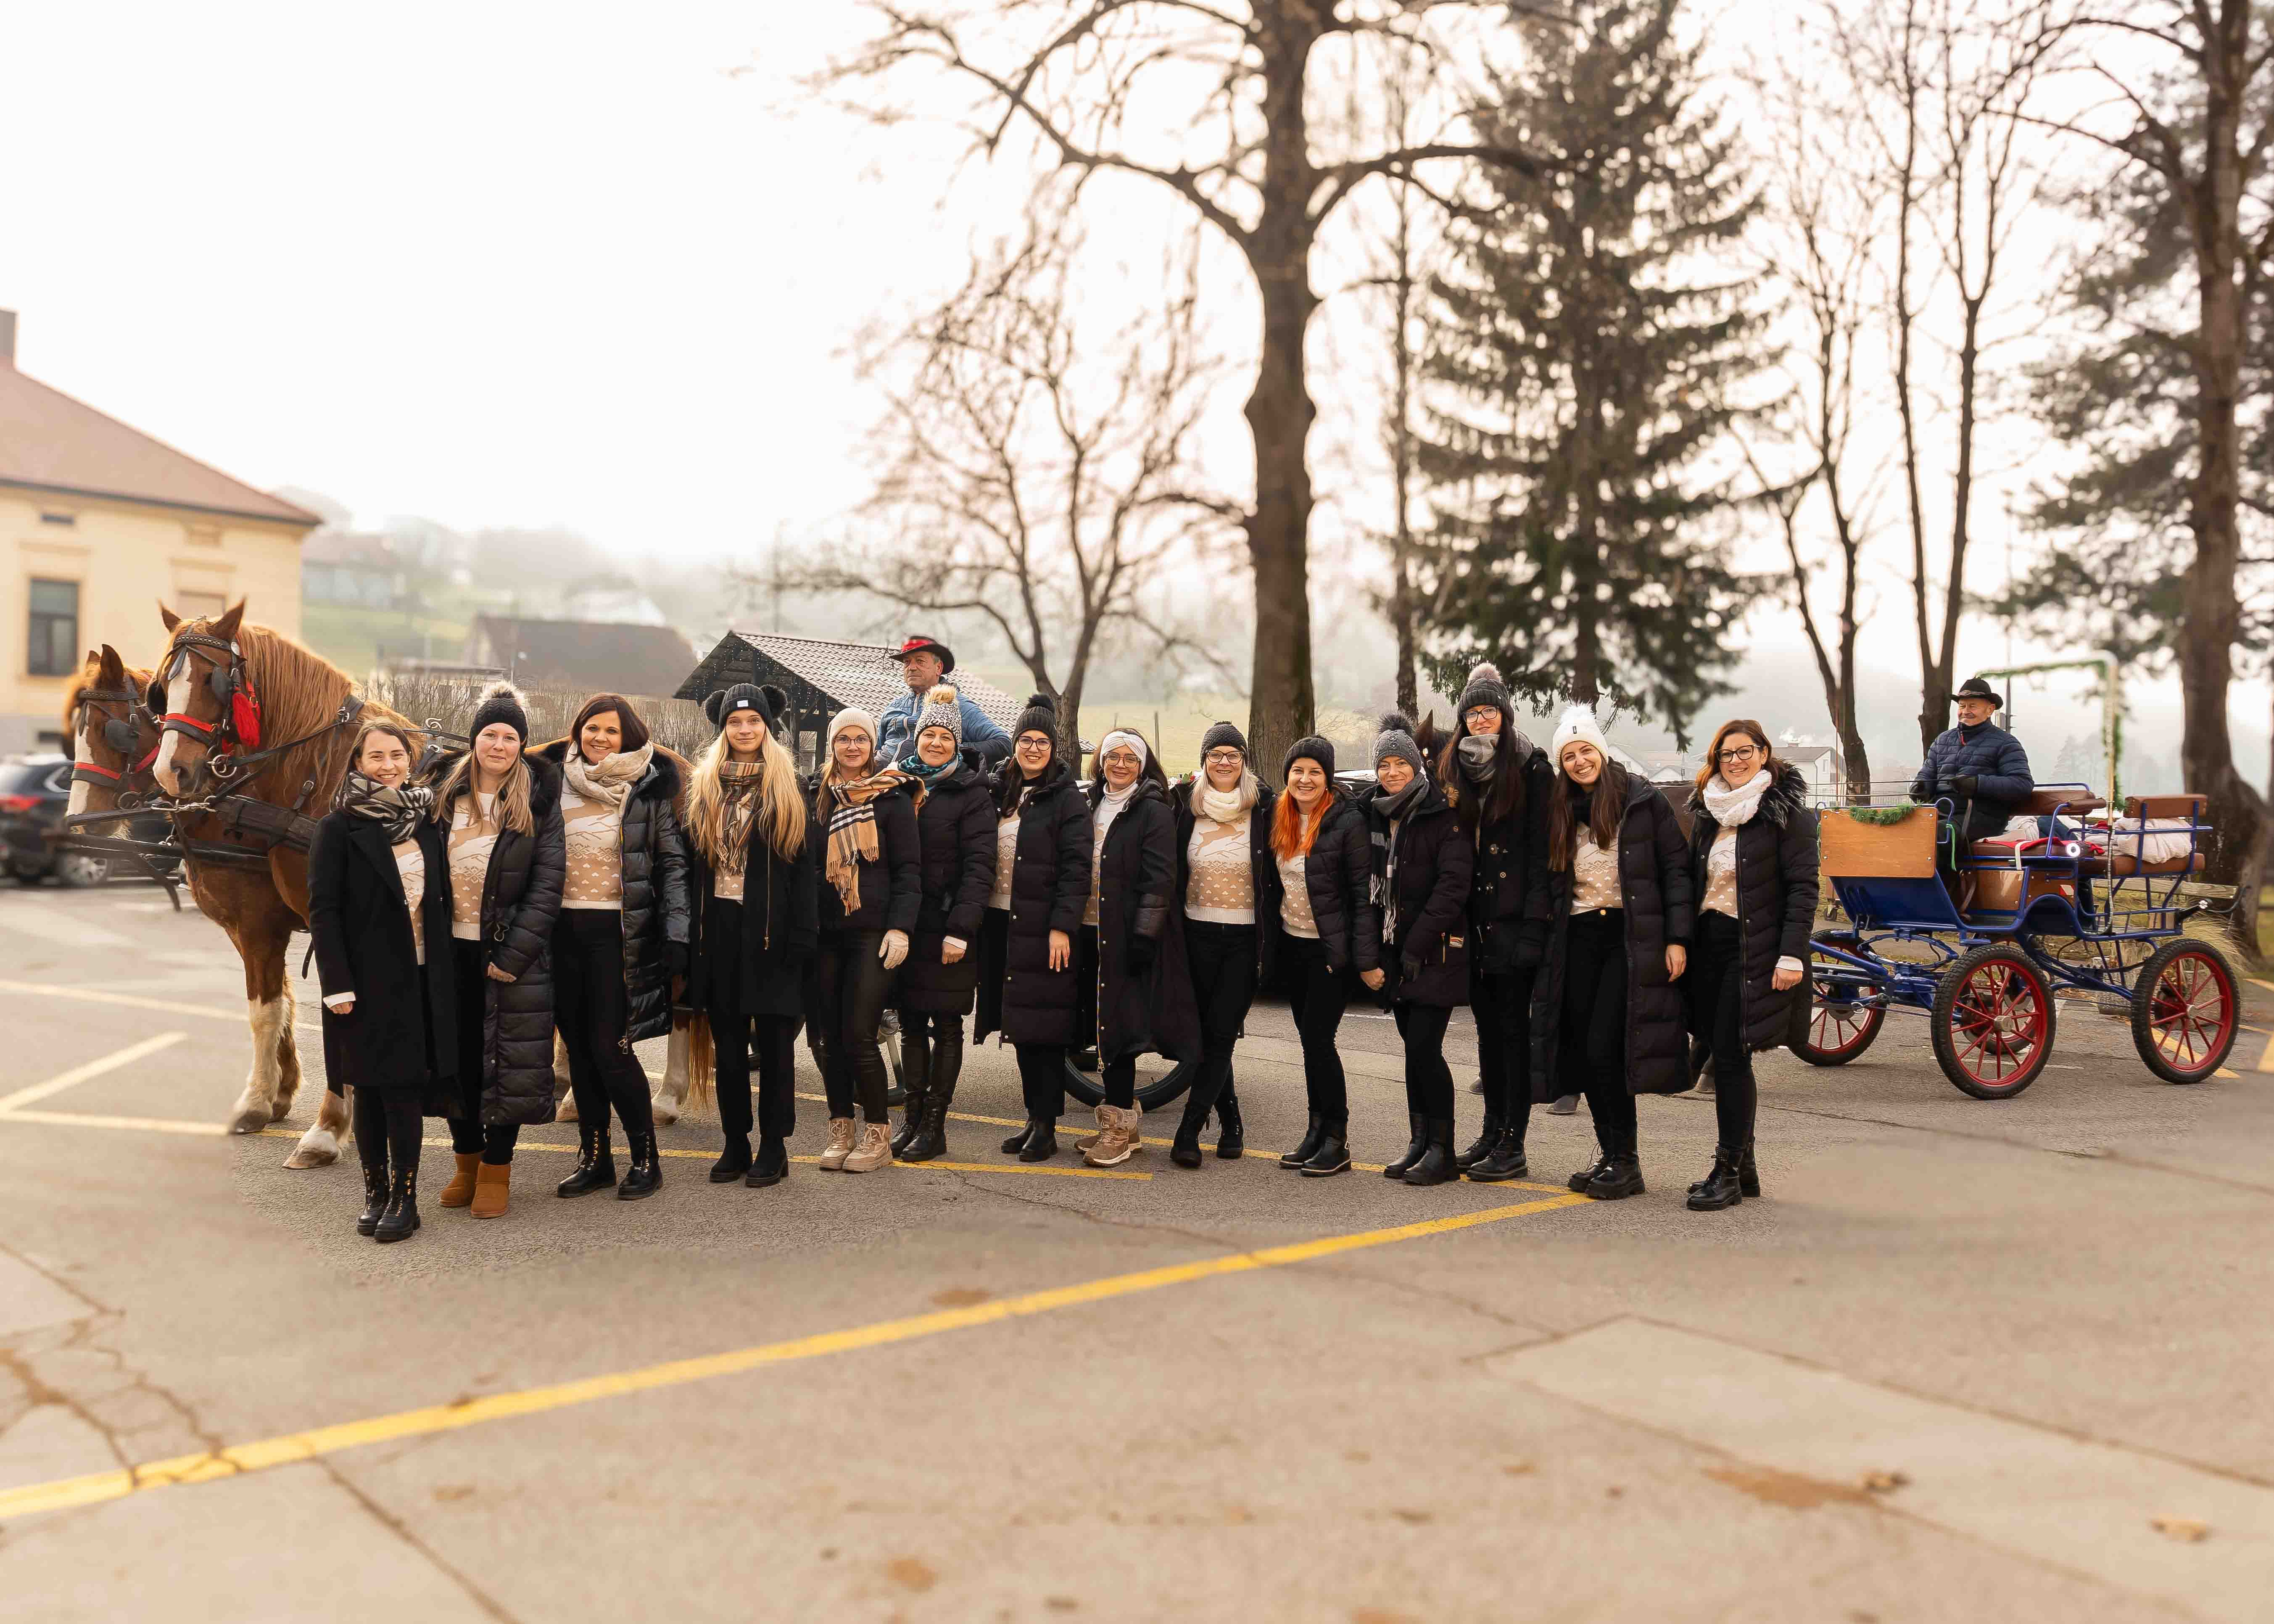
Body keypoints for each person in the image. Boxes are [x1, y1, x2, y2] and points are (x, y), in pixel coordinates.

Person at [1530, 707, 1694, 1201]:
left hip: (1628, 939)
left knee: (1606, 1049)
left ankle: (1627, 1161)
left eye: (1586, 751)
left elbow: (1676, 870)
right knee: (1584, 1052)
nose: (1579, 761)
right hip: (1577, 940)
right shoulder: (1559, 810)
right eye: (1569, 756)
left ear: (1601, 752)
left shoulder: (1641, 801)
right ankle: (1610, 1154)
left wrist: (1677, 938)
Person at [534, 694, 691, 1203]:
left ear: (628, 739)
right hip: (561, 934)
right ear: (577, 731)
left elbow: (672, 865)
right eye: (592, 728)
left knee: (612, 1048)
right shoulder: (553, 783)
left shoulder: (647, 789)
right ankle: (595, 1158)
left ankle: (646, 1158)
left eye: (611, 731)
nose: (600, 738)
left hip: (618, 938)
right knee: (578, 1050)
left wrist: (678, 933)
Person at [308, 721, 455, 1243]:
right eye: (376, 757)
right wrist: (336, 985)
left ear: (410, 761)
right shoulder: (337, 828)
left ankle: (405, 1198)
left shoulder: (427, 822)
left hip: (421, 978)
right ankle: (375, 1193)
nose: (388, 765)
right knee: (367, 1090)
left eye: (396, 755)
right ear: (358, 764)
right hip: (363, 984)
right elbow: (323, 911)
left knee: (403, 1091)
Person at [429, 683, 565, 1219]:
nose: (499, 745)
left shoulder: (539, 804)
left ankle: (496, 1170)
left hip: (509, 960)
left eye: (510, 737)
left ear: (521, 745)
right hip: (448, 954)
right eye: (490, 734)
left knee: (507, 1066)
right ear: (474, 740)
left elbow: (547, 886)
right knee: (454, 1063)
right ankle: (466, 1162)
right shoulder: (443, 798)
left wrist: (512, 958)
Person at [682, 683, 818, 1189]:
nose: (744, 730)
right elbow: (692, 869)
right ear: (724, 729)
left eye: (753, 721)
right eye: (735, 722)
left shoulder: (788, 787)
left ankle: (774, 1146)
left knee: (778, 1049)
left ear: (767, 726)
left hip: (773, 935)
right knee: (730, 1048)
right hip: (720, 932)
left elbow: (805, 871)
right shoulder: (704, 787)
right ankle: (735, 1141)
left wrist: (803, 936)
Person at [1683, 721, 1819, 1210]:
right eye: (1726, 754)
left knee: (1730, 1055)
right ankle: (1746, 1170)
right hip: (1710, 946)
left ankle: (1726, 1170)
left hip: (1755, 950)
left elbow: (1803, 889)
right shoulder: (1708, 812)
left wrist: (1791, 955)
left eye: (1744, 752)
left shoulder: (1788, 815)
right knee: (1721, 1049)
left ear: (1763, 754)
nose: (1735, 761)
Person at [1436, 663, 1554, 1182]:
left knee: (1512, 1035)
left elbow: (1543, 857)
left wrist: (1534, 928)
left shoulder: (1532, 769)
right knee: (1486, 1034)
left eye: (1489, 711)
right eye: (1472, 713)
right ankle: (1491, 1131)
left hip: (1514, 922)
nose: (1480, 720)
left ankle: (1513, 1143)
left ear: (1505, 715)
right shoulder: (1456, 769)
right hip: (1474, 921)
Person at [976, 694, 1093, 1162]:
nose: (1033, 748)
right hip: (1001, 923)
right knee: (1020, 1028)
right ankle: (1032, 1118)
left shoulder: (1066, 799)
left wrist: (1062, 926)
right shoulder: (1001, 792)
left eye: (1042, 741)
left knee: (1044, 1030)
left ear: (1053, 748)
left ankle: (1047, 1125)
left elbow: (1077, 869)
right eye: (1026, 739)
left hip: (1044, 930)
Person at [1076, 728, 1200, 1167]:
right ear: (1101, 761)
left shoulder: (1153, 811)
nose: (1121, 765)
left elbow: (1160, 880)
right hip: (1089, 930)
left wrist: (1144, 937)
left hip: (1127, 938)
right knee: (1103, 1029)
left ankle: (1117, 1132)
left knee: (1121, 1032)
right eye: (1114, 756)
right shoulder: (1090, 803)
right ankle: (1122, 1127)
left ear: (1143, 766)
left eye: (1131, 758)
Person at [1364, 713, 1475, 1187]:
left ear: (1417, 766)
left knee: (1426, 1049)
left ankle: (1442, 1151)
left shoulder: (1442, 812)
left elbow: (1453, 888)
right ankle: (1419, 1140)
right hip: (1397, 951)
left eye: (1400, 764)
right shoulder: (1376, 812)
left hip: (1436, 952)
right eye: (1384, 765)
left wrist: (1415, 945)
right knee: (1413, 1050)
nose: (1392, 772)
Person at [810, 707, 921, 1173]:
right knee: (826, 1040)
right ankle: (841, 1129)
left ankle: (877, 1133)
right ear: (832, 744)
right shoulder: (815, 797)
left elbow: (909, 871)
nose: (852, 747)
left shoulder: (892, 799)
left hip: (872, 934)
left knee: (858, 1034)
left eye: (861, 739)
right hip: (823, 934)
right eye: (844, 739)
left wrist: (901, 928)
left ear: (873, 746)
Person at [889, 685, 998, 1162]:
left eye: (946, 737)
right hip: (906, 925)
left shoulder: (972, 793)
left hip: (949, 926)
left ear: (958, 744)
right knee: (911, 1023)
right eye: (929, 734)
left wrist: (961, 929)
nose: (936, 743)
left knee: (947, 1024)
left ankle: (935, 1125)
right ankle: (912, 1117)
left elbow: (980, 867)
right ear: (917, 738)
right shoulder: (898, 784)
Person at [1268, 736, 1375, 1176]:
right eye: (1298, 771)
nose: (1306, 779)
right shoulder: (1280, 815)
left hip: (1331, 950)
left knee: (1319, 1040)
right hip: (1293, 944)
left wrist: (1365, 958)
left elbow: (1362, 896)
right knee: (1310, 1043)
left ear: (1327, 778)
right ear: (1288, 776)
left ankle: (1337, 1140)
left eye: (1315, 772)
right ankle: (1316, 1131)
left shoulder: (1346, 821)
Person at [1166, 721, 1272, 1168]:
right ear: (1204, 761)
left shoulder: (1263, 808)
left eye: (1232, 755)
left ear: (1244, 761)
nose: (1224, 762)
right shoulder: (1184, 806)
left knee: (1223, 1032)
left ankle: (1189, 1130)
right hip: (1196, 935)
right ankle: (1231, 1120)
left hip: (1244, 939)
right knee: (1208, 1034)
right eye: (1216, 755)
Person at [1910, 676, 2034, 852]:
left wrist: (1977, 784)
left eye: (1973, 706)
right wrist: (1921, 787)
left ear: (1990, 710)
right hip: (1940, 813)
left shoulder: (2007, 743)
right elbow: (1927, 774)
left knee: (1936, 834)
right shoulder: (1943, 740)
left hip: (1982, 817)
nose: (1966, 711)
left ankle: (1938, 871)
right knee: (1898, 829)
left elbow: (2022, 784)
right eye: (1962, 706)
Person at [875, 635, 1010, 767]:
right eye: (907, 662)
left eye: (920, 661)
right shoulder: (893, 707)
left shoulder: (957, 704)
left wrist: (949, 752)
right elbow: (877, 748)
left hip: (921, 781)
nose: (912, 667)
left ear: (938, 668)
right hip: (877, 778)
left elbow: (1003, 744)